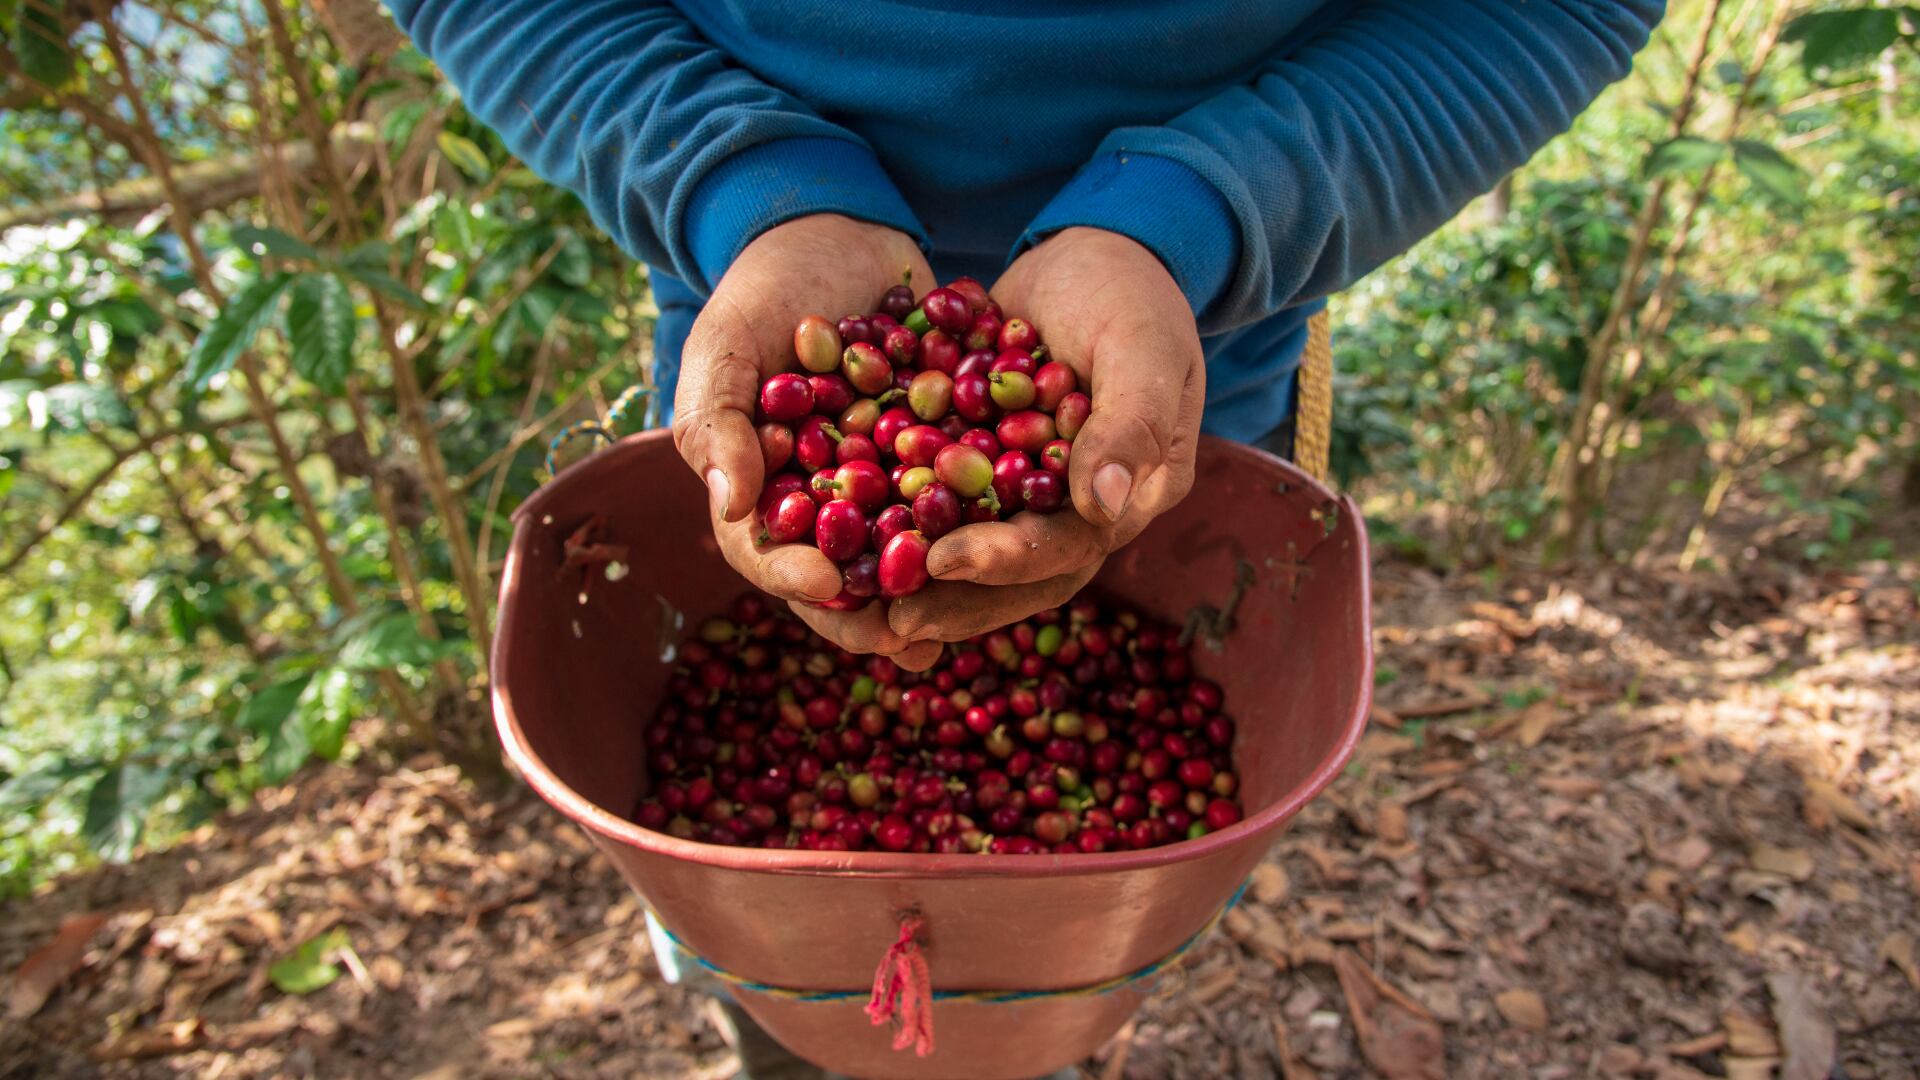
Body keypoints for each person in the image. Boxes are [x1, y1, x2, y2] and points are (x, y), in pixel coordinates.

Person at [385, 3, 1664, 1076]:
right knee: (782, 977)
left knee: (1055, 981)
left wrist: (1185, 219)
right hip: (751, 357)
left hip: (1180, 414)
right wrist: (742, 190)